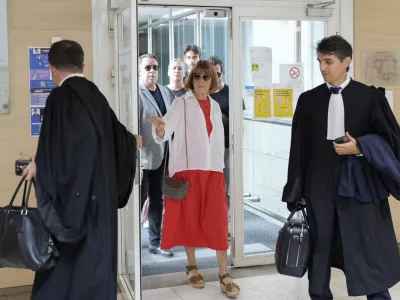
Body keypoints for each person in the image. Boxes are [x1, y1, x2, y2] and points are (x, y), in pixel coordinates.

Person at [282, 35, 400, 300]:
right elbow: (299, 149)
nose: (323, 68)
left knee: (366, 244)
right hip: (319, 185)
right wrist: (297, 188)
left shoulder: (370, 97)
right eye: (320, 62)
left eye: (329, 61)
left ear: (346, 62)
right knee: (320, 245)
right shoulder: (308, 100)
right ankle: (319, 295)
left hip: (360, 185)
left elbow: (391, 140)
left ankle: (379, 297)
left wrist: (360, 147)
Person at [22, 40, 141, 300]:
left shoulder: (58, 98)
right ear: (83, 65)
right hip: (100, 204)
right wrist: (133, 141)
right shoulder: (95, 94)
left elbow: (55, 150)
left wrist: (38, 166)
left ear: (50, 67)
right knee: (95, 267)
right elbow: (118, 137)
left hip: (72, 205)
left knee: (64, 268)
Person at [149, 61, 240, 298]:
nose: (201, 80)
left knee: (218, 220)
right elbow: (166, 128)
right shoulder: (181, 102)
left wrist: (222, 162)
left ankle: (223, 272)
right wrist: (160, 128)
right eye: (197, 76)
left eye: (206, 77)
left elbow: (218, 138)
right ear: (192, 79)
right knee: (189, 219)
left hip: (213, 172)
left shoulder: (216, 106)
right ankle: (192, 265)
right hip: (188, 171)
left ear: (212, 80)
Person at [138, 53, 174, 257]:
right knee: (140, 197)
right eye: (147, 68)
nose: (152, 71)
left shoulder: (165, 92)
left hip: (161, 152)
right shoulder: (136, 92)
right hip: (142, 155)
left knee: (156, 198)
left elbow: (170, 119)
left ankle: (155, 241)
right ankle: (132, 241)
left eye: (155, 67)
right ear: (139, 71)